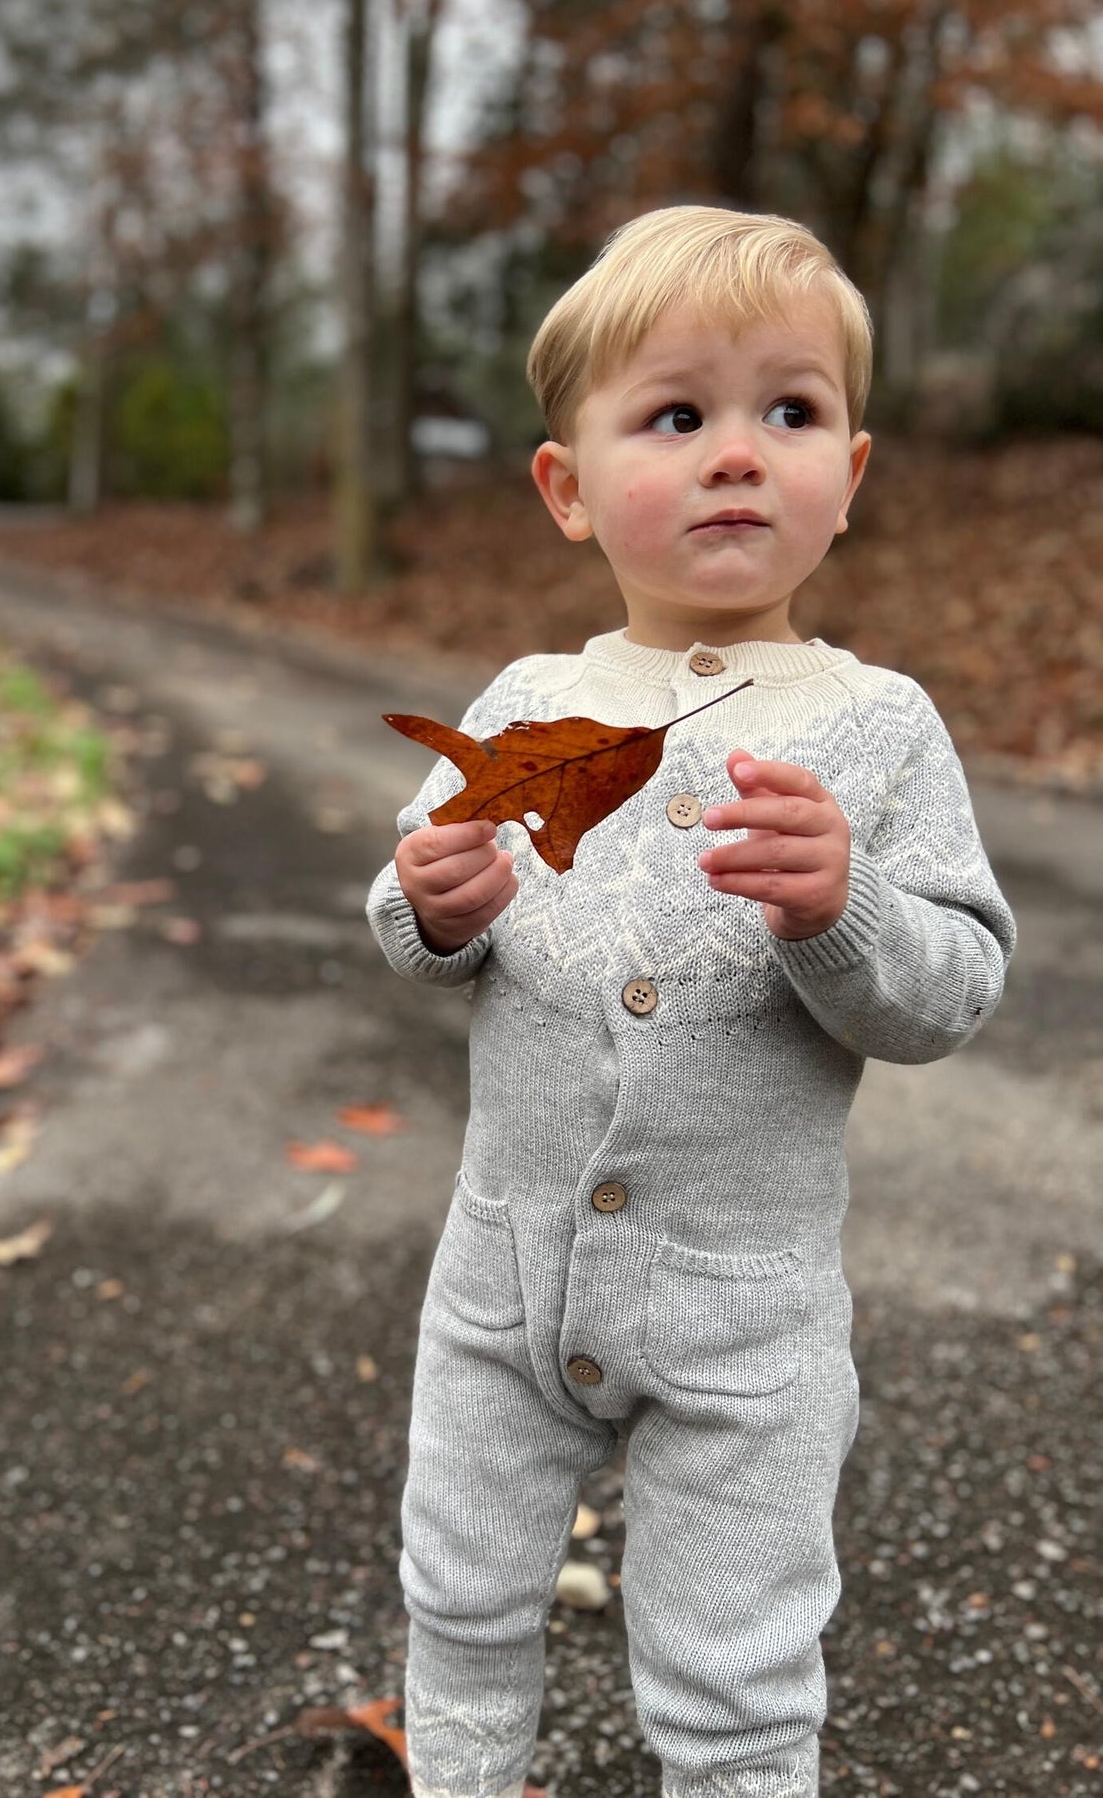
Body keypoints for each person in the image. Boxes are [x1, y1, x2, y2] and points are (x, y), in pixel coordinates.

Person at [364, 204, 1017, 1798]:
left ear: (847, 478)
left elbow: (954, 990)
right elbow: (411, 897)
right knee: (457, 1598)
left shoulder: (876, 730)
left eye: (787, 412)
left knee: (732, 1661)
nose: (739, 453)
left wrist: (841, 908)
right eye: (677, 414)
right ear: (568, 490)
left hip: (746, 1314)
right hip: (504, 1287)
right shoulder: (526, 704)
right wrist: (427, 910)